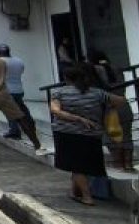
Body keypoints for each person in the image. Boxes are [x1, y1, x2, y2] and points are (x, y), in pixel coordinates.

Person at [50, 63, 128, 205]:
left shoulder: (59, 93)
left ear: (66, 78)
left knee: (76, 165)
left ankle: (87, 196)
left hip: (67, 133)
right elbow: (121, 101)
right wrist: (108, 107)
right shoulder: (97, 93)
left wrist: (77, 118)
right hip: (91, 134)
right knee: (82, 164)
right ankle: (75, 192)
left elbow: (56, 111)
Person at [89, 50, 135, 171]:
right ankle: (129, 165)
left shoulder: (94, 70)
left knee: (111, 139)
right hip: (123, 105)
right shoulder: (117, 68)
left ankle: (119, 165)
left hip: (107, 108)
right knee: (127, 137)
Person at [0, 44, 32, 140]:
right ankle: (29, 125)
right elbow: (21, 71)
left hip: (6, 90)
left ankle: (14, 131)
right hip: (19, 89)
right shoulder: (18, 60)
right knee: (20, 108)